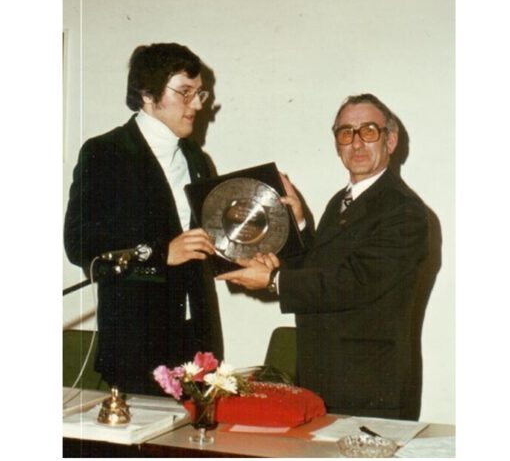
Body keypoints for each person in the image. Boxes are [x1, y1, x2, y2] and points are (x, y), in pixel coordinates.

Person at [218, 93, 429, 420]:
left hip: (370, 388)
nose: (356, 143)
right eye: (346, 133)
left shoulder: (405, 210)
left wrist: (275, 280)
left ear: (391, 140)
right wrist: (298, 226)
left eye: (368, 131)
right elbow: (324, 268)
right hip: (324, 379)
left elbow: (354, 282)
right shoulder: (341, 201)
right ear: (337, 145)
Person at [64, 43, 221, 395]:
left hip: (195, 343)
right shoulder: (104, 152)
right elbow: (79, 244)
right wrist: (161, 253)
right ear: (148, 94)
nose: (198, 104)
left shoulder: (197, 159)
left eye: (200, 93)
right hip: (134, 345)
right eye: (185, 92)